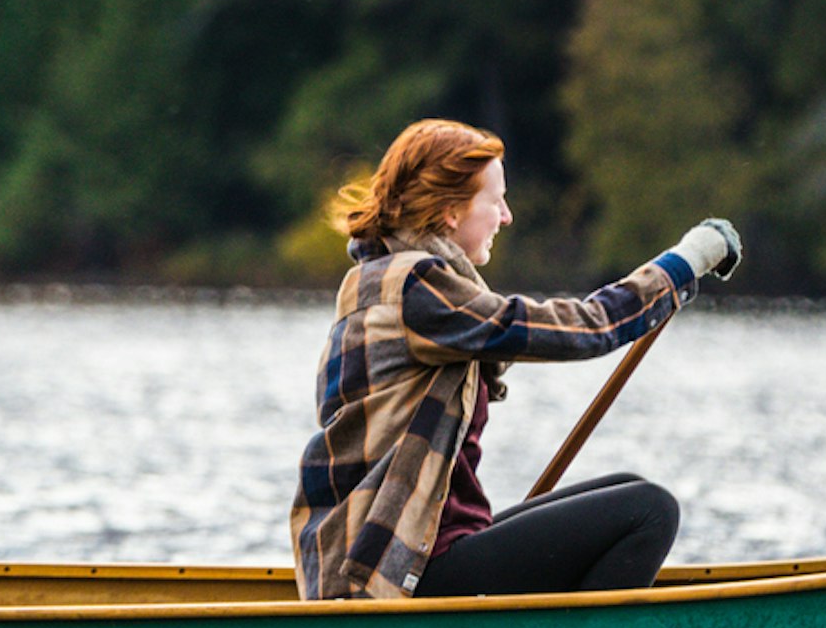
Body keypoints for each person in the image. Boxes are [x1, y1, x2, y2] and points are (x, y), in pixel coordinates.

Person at [290, 119, 743, 603]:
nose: (506, 217)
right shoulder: (415, 289)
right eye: (495, 201)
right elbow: (584, 328)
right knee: (650, 510)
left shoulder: (386, 280)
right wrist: (684, 263)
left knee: (628, 487)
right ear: (449, 211)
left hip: (403, 552)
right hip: (393, 571)